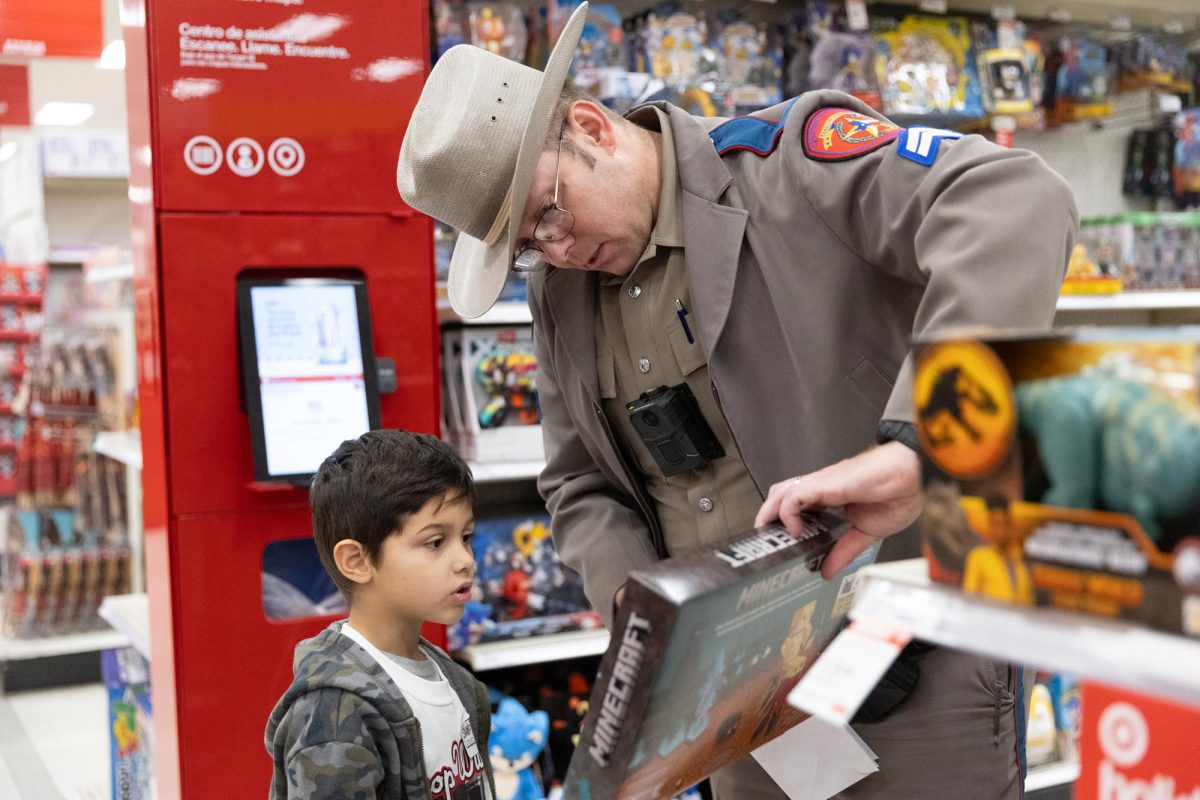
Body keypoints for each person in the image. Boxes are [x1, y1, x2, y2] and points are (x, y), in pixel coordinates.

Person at [397, 4, 1077, 797]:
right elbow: (578, 481)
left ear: (592, 126)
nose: (557, 251)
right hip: (747, 705)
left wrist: (923, 442)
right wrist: (636, 601)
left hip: (919, 663)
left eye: (550, 212)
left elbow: (1015, 199)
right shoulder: (562, 293)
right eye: (526, 246)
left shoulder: (793, 165)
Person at [265, 430, 495, 800]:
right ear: (357, 561)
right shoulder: (337, 711)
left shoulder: (451, 679)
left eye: (465, 537)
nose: (465, 560)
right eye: (435, 542)